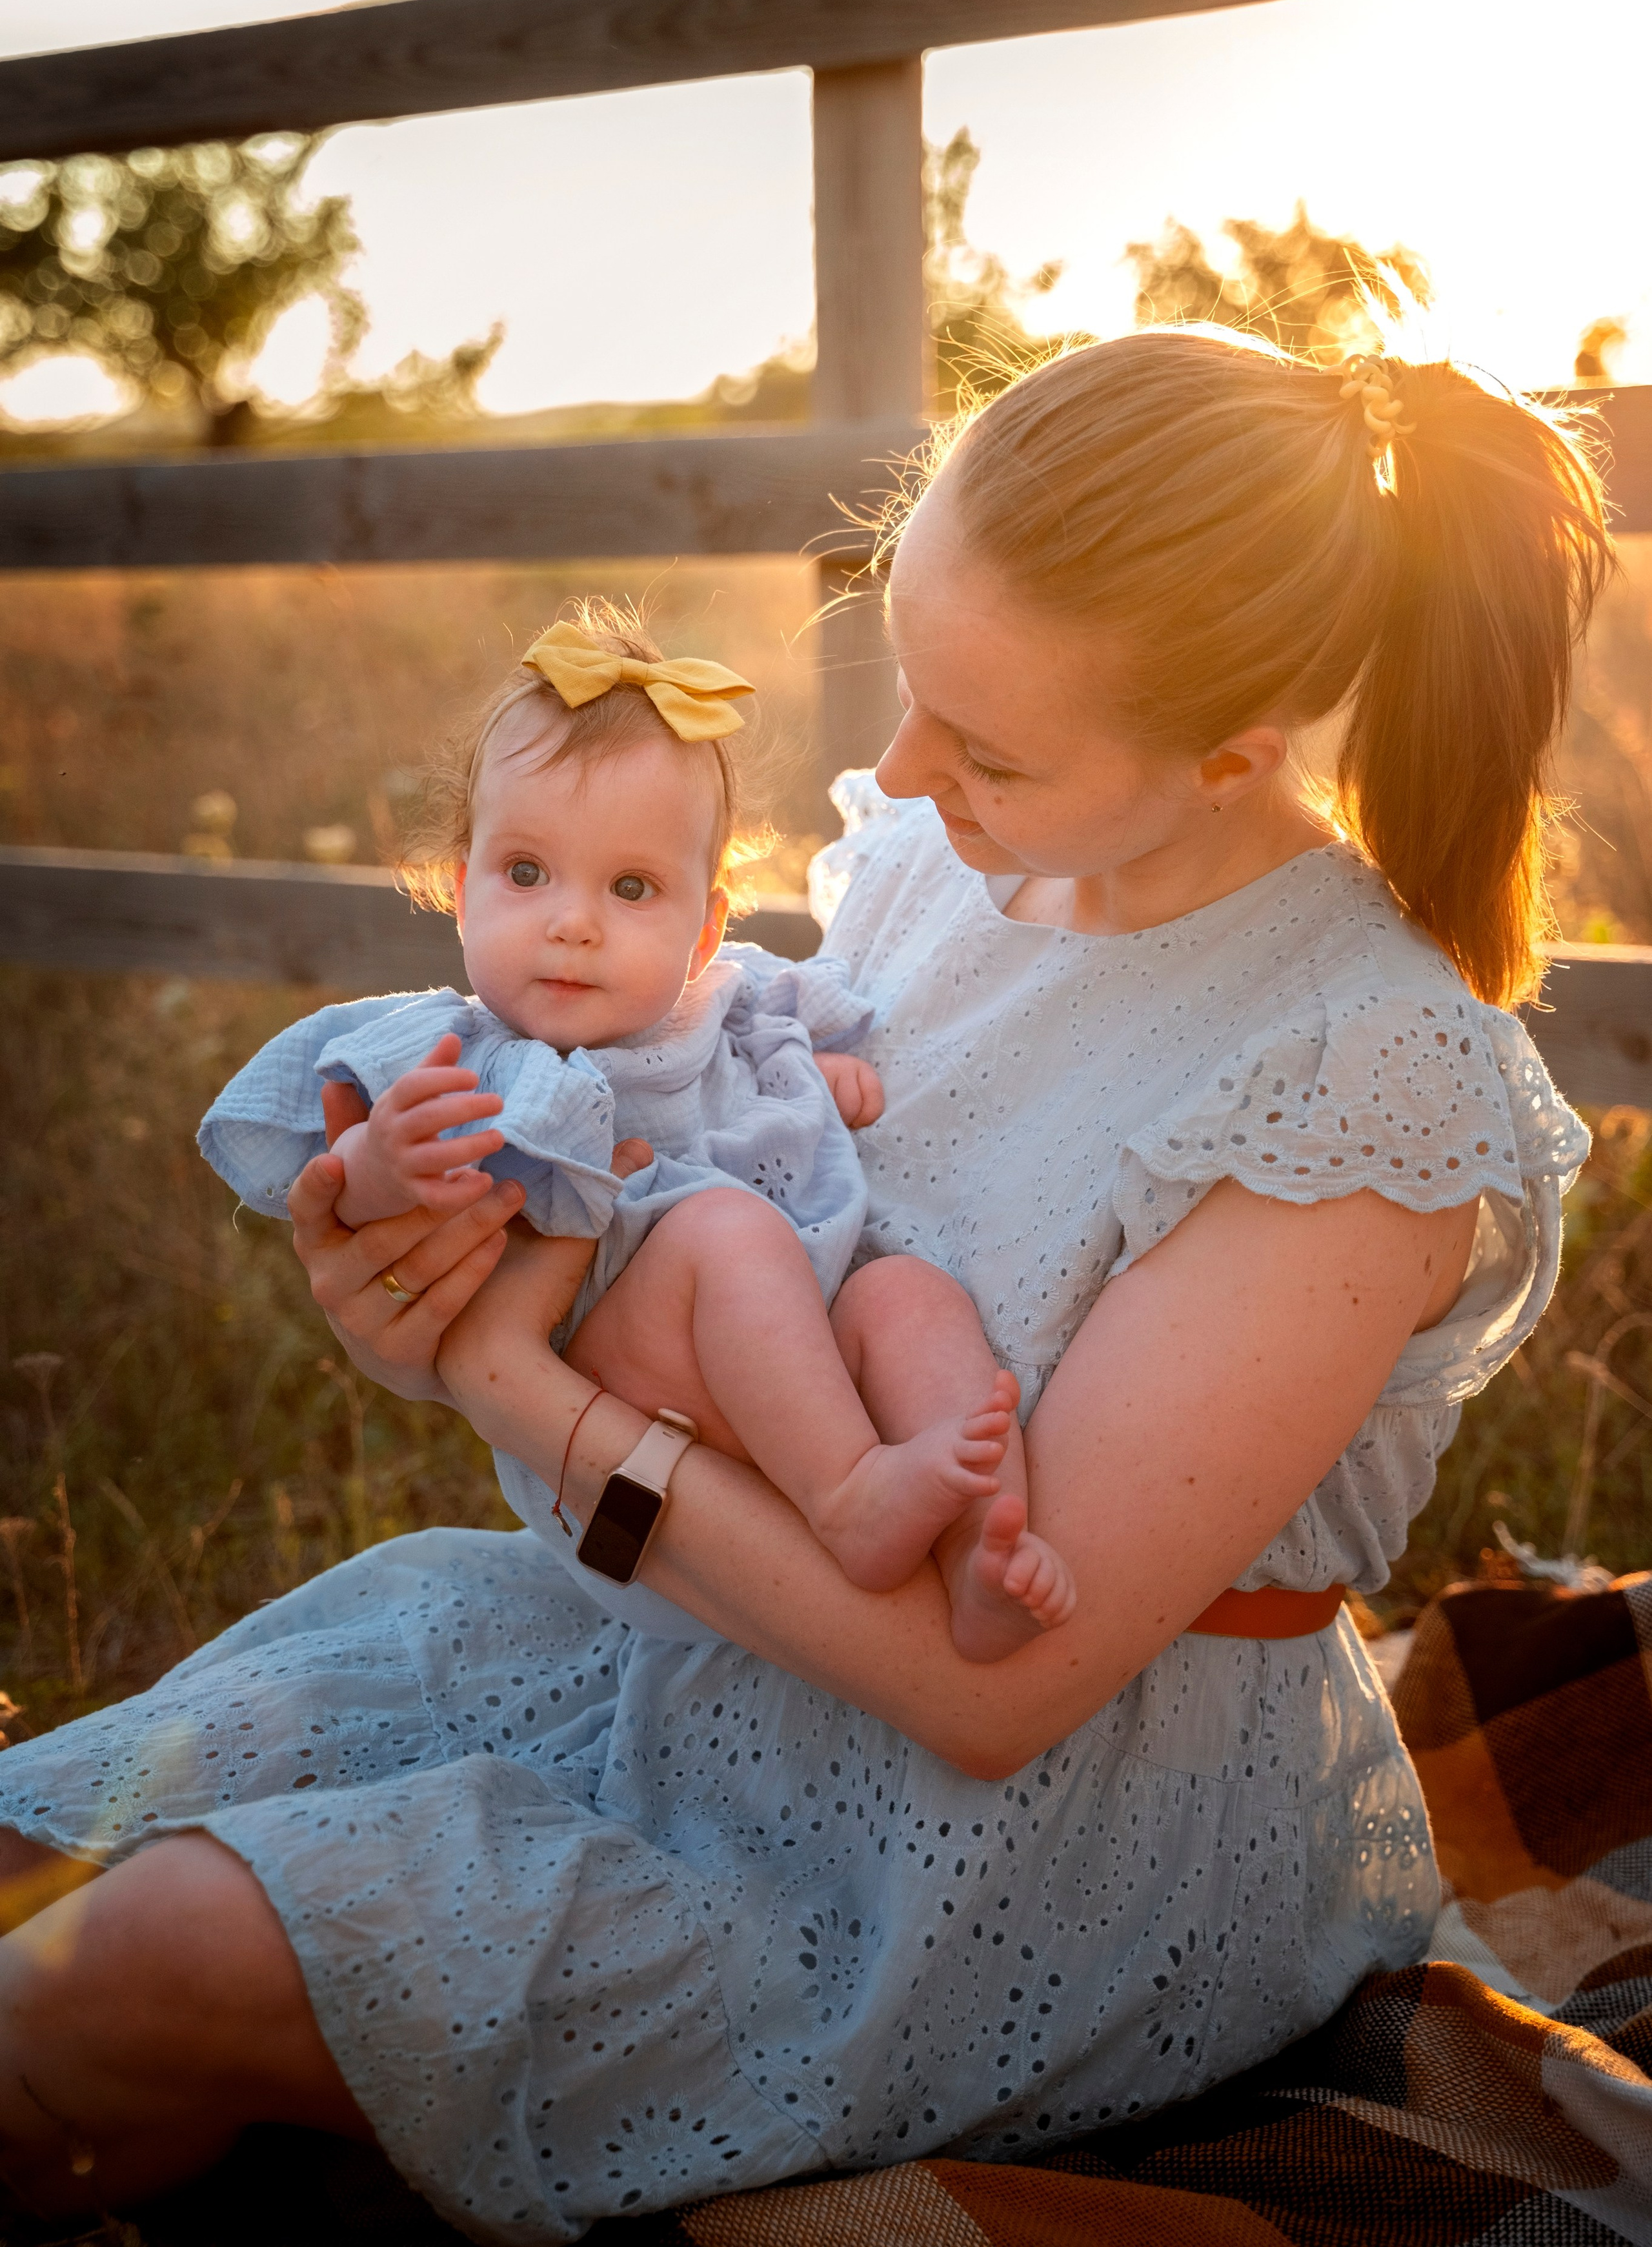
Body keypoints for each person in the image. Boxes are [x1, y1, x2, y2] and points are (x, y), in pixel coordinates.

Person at [0, 331, 1604, 2244]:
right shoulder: (941, 853)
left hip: (1021, 1864)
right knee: (46, 1850)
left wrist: (517, 1390)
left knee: (144, 1960)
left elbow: (990, 1693)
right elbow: (717, 1221)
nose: (906, 772)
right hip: (689, 1639)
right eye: (909, 678)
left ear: (1229, 761)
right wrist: (426, 1298)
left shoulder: (1355, 1068)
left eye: (987, 745)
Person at [197, 611, 1071, 1647]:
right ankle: (850, 1500)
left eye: (630, 888)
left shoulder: (726, 1009)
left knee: (909, 1295)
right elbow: (341, 1182)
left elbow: (779, 1055)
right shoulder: (463, 1055)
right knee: (721, 1231)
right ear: (461, 893)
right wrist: (387, 1162)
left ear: (705, 930)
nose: (573, 923)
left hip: (796, 1358)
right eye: (527, 873)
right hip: (634, 1365)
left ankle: (981, 1553)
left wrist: (806, 1080)